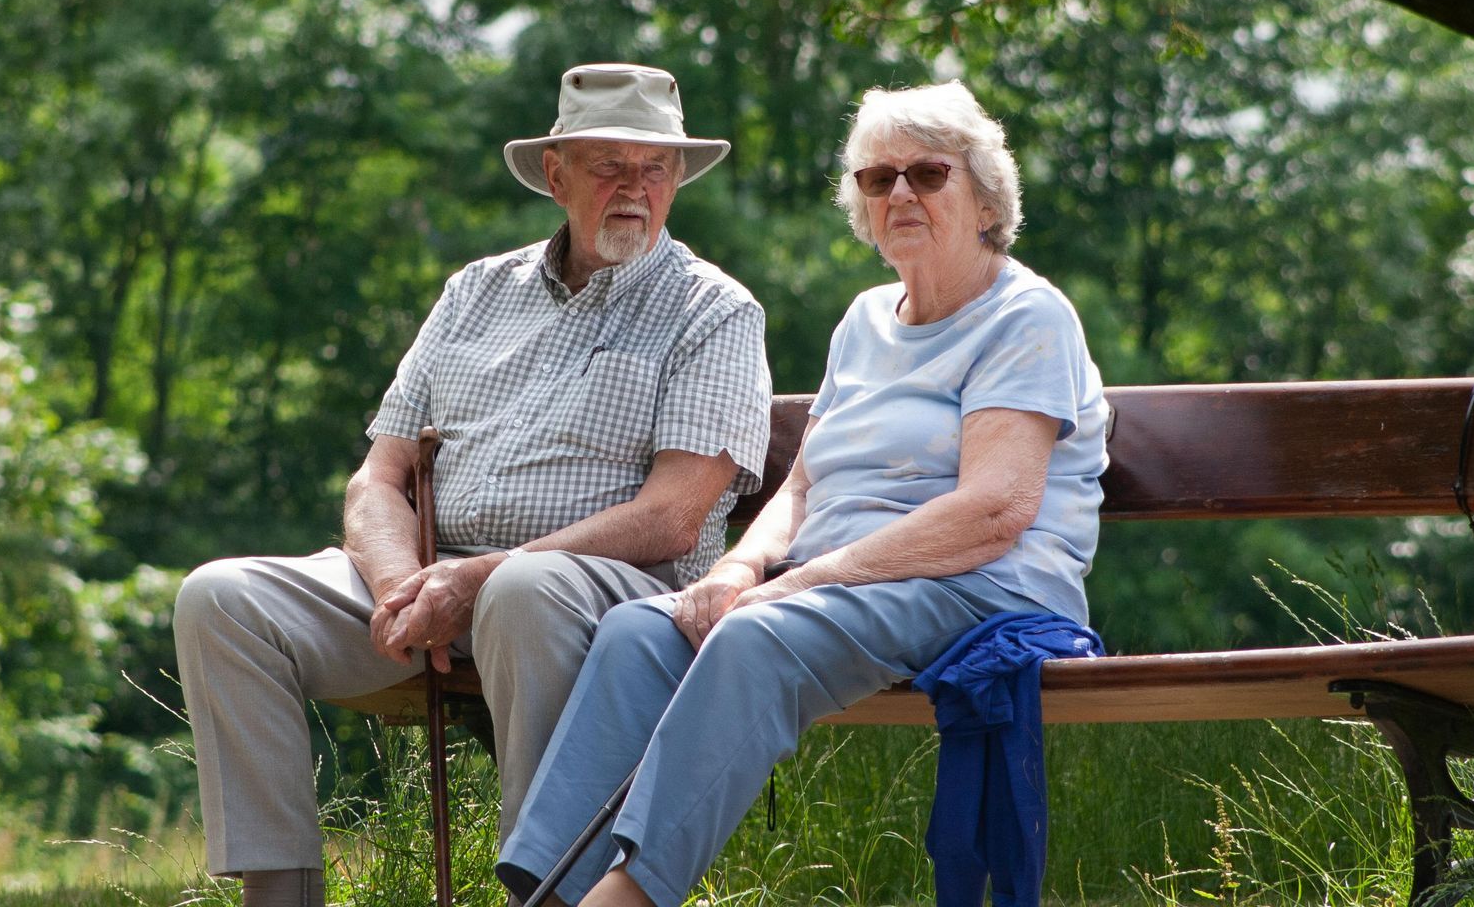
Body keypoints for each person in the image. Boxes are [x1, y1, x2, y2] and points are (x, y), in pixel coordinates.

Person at [496, 81, 1109, 907]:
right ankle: (548, 890)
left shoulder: (1026, 315)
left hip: (978, 587)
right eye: (876, 177)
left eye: (927, 174)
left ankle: (628, 897)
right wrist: (738, 573)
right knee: (641, 631)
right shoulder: (864, 320)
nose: (899, 193)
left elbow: (992, 512)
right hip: (841, 587)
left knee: (755, 641)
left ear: (985, 195)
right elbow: (803, 483)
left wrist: (799, 585)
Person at [174, 64, 772, 907]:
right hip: (435, 582)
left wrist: (478, 578)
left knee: (525, 588)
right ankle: (281, 897)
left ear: (677, 179)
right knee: (223, 599)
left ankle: (549, 893)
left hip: (607, 591)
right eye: (610, 165)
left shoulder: (712, 311)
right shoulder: (474, 292)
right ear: (557, 176)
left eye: (656, 167)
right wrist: (399, 590)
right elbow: (380, 476)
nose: (635, 188)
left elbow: (674, 518)